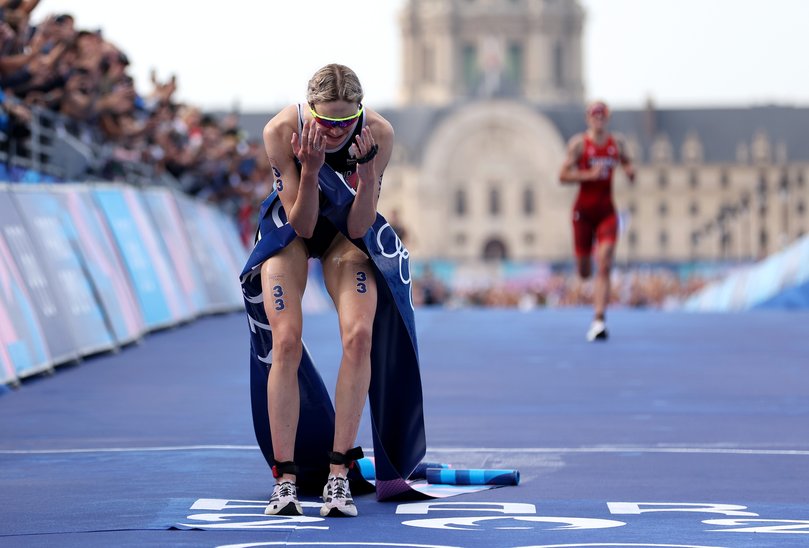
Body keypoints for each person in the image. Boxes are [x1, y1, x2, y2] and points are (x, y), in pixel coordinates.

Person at [258, 64, 393, 517]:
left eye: (344, 122)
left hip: (343, 238)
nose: (335, 132)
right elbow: (302, 224)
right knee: (287, 341)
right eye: (326, 121)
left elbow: (358, 226)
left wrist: (369, 176)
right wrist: (311, 170)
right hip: (292, 230)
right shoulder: (282, 130)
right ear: (308, 108)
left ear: (359, 111)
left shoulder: (376, 133)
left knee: (359, 337)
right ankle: (285, 478)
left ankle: (339, 474)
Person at [559, 100, 634, 341]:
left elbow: (627, 161)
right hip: (583, 213)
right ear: (588, 118)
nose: (598, 119)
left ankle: (599, 320)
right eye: (594, 115)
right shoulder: (580, 145)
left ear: (607, 118)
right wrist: (587, 174)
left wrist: (630, 171)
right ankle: (586, 261)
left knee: (605, 261)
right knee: (584, 272)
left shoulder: (617, 143)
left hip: (606, 211)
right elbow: (562, 175)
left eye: (602, 116)